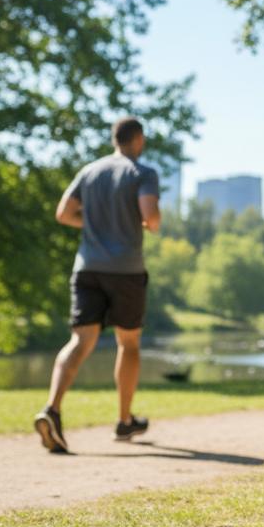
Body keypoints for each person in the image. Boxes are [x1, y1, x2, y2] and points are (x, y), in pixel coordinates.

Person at [34, 117, 161, 453]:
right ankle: (123, 419)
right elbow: (151, 217)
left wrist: (94, 226)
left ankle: (52, 409)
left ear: (114, 139)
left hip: (87, 267)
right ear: (138, 140)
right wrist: (145, 223)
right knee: (128, 343)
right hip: (126, 270)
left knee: (79, 340)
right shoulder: (143, 173)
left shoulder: (89, 172)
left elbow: (64, 213)